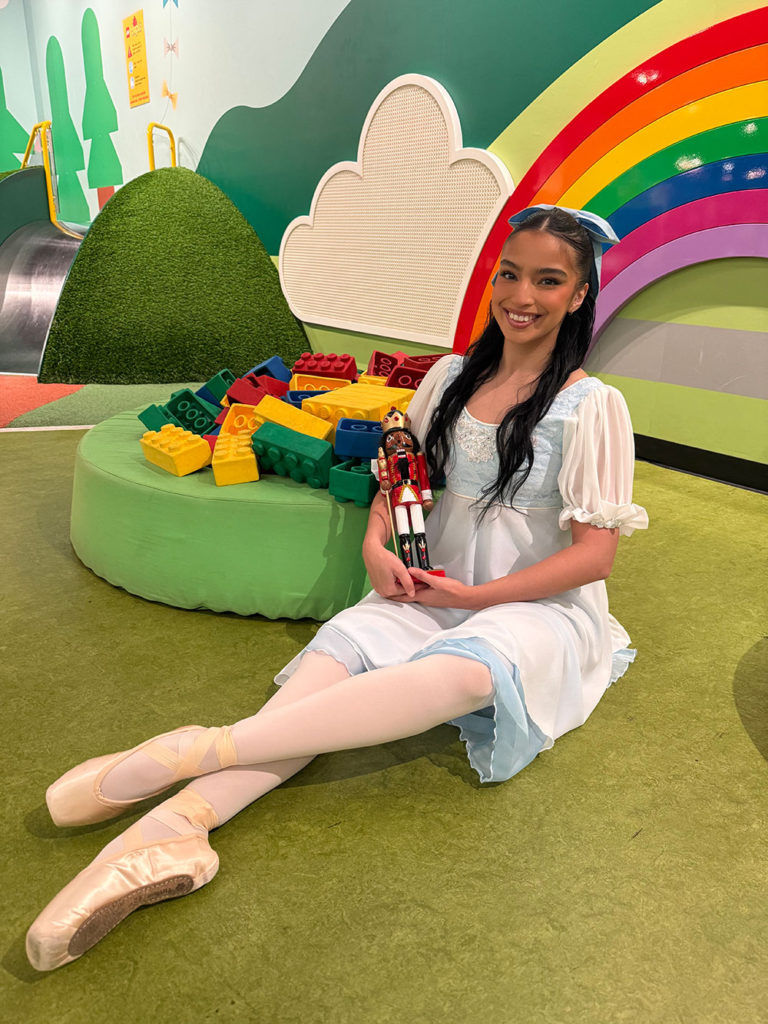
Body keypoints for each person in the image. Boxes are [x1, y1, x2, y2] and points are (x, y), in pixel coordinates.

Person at [26, 205, 649, 971]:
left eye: (548, 280)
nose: (523, 295)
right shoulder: (453, 375)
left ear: (580, 295)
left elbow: (594, 559)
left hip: (531, 607)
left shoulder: (594, 407)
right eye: (510, 274)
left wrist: (475, 601)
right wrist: (373, 542)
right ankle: (169, 831)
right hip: (429, 584)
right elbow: (401, 470)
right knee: (314, 699)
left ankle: (193, 749)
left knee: (463, 672)